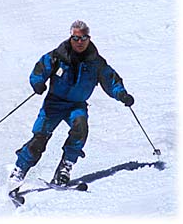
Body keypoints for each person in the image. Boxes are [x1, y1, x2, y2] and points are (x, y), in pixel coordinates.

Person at [9, 20, 135, 189]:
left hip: (77, 104)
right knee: (40, 137)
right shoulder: (57, 56)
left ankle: (64, 168)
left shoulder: (96, 62)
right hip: (54, 103)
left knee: (80, 128)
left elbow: (110, 80)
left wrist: (122, 94)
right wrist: (38, 82)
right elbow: (40, 69)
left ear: (89, 38)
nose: (80, 42)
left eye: (83, 38)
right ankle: (19, 170)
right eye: (76, 38)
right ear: (71, 37)